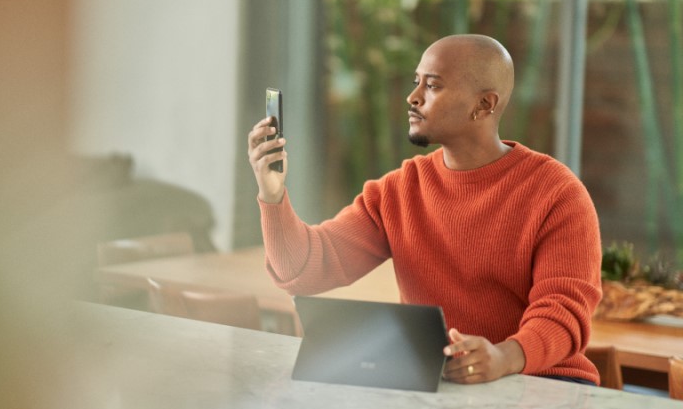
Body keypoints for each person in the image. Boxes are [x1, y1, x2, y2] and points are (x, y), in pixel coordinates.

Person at [247, 34, 602, 385]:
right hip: (441, 384)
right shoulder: (400, 189)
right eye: (417, 82)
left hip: (547, 386)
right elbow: (304, 270)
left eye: (432, 86)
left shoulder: (557, 194)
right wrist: (272, 195)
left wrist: (502, 357)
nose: (413, 97)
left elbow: (564, 313)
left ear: (484, 105)